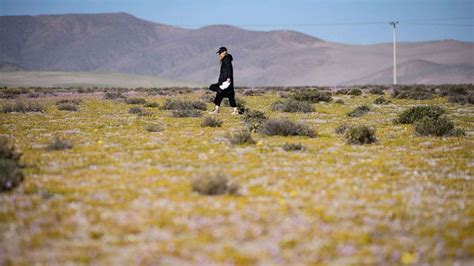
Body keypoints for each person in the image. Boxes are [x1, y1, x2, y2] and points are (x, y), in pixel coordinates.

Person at [208, 47, 239, 115]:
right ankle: (235, 110)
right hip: (227, 81)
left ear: (224, 52)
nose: (219, 55)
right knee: (229, 95)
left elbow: (229, 69)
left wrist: (228, 78)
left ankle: (216, 110)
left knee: (218, 91)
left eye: (220, 53)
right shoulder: (226, 59)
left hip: (226, 81)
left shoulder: (226, 59)